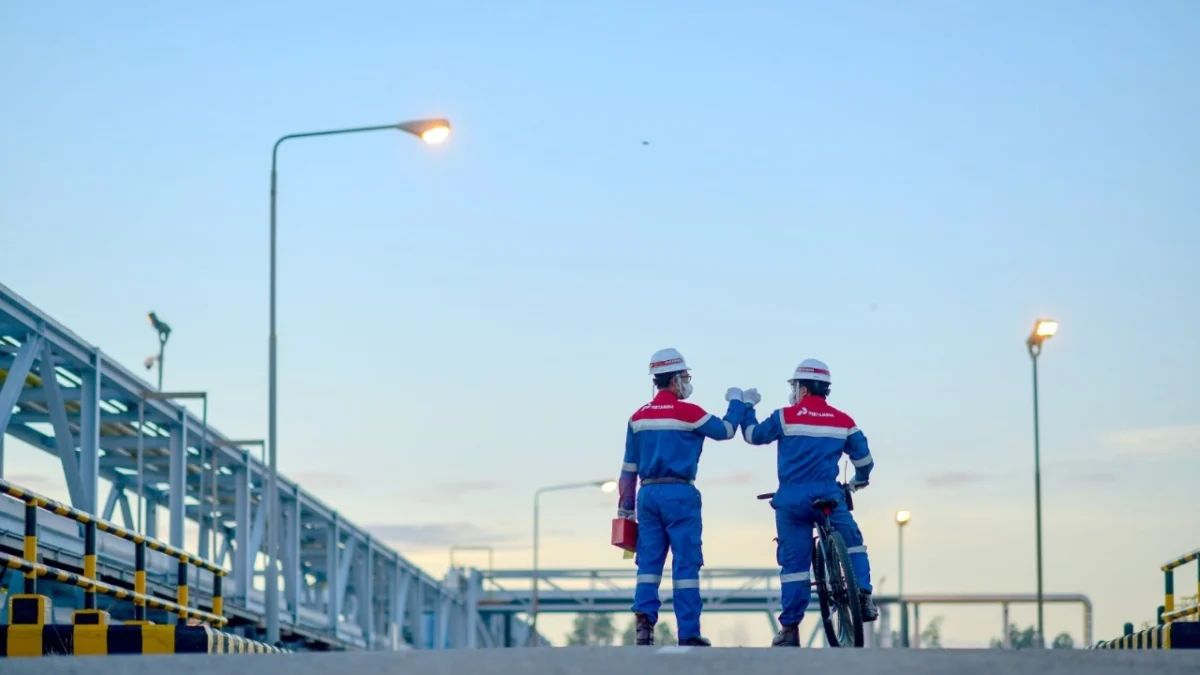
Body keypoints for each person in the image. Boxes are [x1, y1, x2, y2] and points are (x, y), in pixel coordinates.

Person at [740, 358, 878, 647]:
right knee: (853, 542)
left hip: (792, 499)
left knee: (795, 566)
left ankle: (790, 628)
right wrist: (858, 480)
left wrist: (747, 408)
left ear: (802, 389)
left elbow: (753, 436)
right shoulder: (843, 421)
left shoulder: (785, 417)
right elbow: (864, 460)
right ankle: (863, 596)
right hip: (829, 495)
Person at [616, 347, 747, 647]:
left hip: (647, 495)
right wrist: (738, 402)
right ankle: (687, 632)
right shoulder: (690, 413)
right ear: (674, 380)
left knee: (648, 562)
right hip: (680, 493)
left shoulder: (638, 418)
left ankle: (643, 626)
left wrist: (625, 509)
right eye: (684, 377)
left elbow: (628, 469)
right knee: (685, 564)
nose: (686, 383)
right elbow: (726, 430)